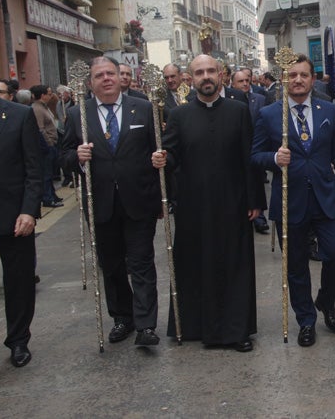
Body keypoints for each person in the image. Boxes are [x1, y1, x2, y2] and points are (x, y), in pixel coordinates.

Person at [154, 54, 266, 351]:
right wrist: (162, 158)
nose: (206, 76)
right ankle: (192, 326)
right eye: (199, 72)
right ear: (190, 79)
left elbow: (248, 157)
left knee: (234, 267)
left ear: (221, 75)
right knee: (195, 264)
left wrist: (255, 199)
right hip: (194, 205)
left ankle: (236, 330)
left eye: (211, 71)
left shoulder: (239, 110)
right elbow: (173, 154)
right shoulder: (179, 115)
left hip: (234, 202)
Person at [61, 56, 162, 347]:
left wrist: (160, 163)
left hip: (138, 200)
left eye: (110, 73)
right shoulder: (78, 112)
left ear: (120, 77)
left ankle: (146, 325)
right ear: (90, 83)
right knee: (112, 264)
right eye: (99, 75)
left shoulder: (142, 108)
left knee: (142, 262)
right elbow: (63, 156)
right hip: (100, 202)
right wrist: (77, 159)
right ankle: (123, 317)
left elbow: (159, 149)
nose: (105, 79)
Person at [252, 54, 335, 347]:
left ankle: (326, 301)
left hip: (325, 197)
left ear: (312, 78)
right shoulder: (270, 114)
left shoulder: (328, 111)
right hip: (289, 201)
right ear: (284, 79)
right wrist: (273, 158)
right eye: (292, 75)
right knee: (295, 266)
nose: (297, 80)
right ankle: (305, 320)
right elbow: (254, 155)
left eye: (303, 75)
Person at [0, 60, 42, 386]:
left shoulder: (19, 116)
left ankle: (18, 340)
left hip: (13, 214)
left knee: (18, 281)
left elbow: (34, 169)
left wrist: (29, 211)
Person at [232, 68, 270, 234]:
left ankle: (260, 217)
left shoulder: (260, 99)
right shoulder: (230, 102)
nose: (245, 84)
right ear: (233, 84)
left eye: (247, 80)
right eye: (240, 81)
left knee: (257, 182)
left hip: (256, 148)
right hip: (237, 151)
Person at [30, 85, 62, 208]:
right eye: (49, 93)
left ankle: (53, 195)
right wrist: (49, 143)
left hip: (52, 143)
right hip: (47, 146)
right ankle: (48, 198)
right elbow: (40, 128)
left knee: (50, 172)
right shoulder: (37, 109)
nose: (51, 96)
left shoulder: (44, 107)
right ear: (42, 95)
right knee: (47, 174)